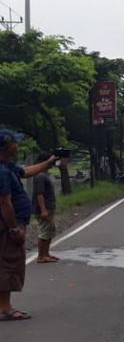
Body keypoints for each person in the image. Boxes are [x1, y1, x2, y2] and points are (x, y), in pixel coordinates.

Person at [0, 130, 59, 322]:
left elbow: (26, 172)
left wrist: (49, 163)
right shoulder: (1, 171)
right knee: (8, 263)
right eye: (15, 143)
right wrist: (14, 229)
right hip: (9, 226)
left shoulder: (8, 167)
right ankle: (4, 308)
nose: (17, 145)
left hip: (14, 223)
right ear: (7, 147)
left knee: (8, 262)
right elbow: (5, 202)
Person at [31, 153, 59, 264]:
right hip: (44, 208)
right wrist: (43, 210)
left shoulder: (43, 175)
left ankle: (46, 254)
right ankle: (41, 255)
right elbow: (39, 194)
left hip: (49, 207)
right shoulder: (40, 176)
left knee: (50, 231)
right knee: (44, 231)